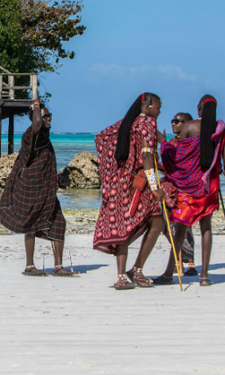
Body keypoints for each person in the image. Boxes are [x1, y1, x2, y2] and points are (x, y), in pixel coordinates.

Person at [93, 93, 166, 290]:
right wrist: (156, 187)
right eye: (158, 107)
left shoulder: (126, 123)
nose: (159, 111)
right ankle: (137, 270)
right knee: (157, 222)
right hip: (140, 184)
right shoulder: (148, 123)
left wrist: (117, 168)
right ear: (148, 107)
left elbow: (101, 138)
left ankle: (122, 277)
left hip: (121, 182)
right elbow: (147, 157)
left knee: (123, 226)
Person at [0, 98, 76, 277]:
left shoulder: (44, 138)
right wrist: (36, 105)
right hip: (30, 188)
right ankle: (29, 266)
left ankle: (58, 266)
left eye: (49, 115)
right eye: (45, 116)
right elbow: (37, 121)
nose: (49, 118)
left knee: (59, 222)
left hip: (46, 190)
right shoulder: (31, 135)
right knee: (30, 225)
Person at [155, 95, 225, 287]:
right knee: (206, 228)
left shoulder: (189, 126)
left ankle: (169, 273)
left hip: (189, 187)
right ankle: (204, 277)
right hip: (210, 184)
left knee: (181, 228)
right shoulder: (220, 129)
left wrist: (163, 143)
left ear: (199, 107)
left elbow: (178, 158)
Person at [159, 113, 197, 276]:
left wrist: (162, 143)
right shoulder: (173, 142)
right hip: (169, 190)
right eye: (172, 121)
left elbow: (179, 166)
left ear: (187, 124)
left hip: (184, 189)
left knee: (184, 226)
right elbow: (169, 165)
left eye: (177, 121)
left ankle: (190, 264)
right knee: (169, 226)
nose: (173, 124)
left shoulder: (190, 143)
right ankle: (178, 260)